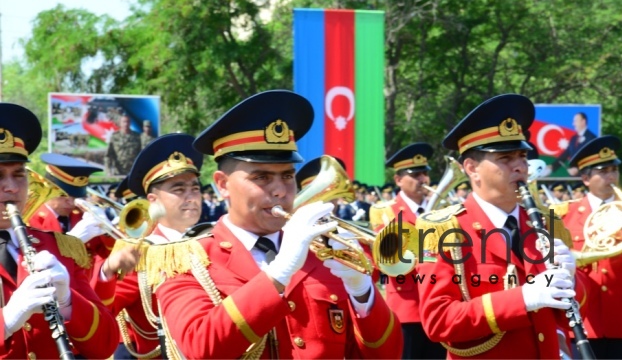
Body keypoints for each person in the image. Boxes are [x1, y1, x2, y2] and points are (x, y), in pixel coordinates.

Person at [156, 90, 402, 359]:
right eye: (261, 178)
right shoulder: (185, 260)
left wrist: (362, 293)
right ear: (222, 184)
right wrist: (279, 274)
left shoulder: (323, 253)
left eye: (287, 176)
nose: (280, 191)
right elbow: (200, 347)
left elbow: (386, 354)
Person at [417, 94, 583, 358]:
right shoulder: (442, 230)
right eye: (505, 159)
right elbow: (438, 320)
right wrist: (523, 299)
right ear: (471, 168)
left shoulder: (544, 224)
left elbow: (568, 304)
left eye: (522, 156)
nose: (520, 166)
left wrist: (573, 279)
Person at [0, 102, 118, 358]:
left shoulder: (58, 248)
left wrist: (68, 303)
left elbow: (106, 344)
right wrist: (6, 322)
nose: (11, 187)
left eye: (18, 174)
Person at [93, 133, 204, 359]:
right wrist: (107, 272)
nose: (191, 197)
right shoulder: (141, 253)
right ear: (153, 201)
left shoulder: (210, 240)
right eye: (179, 190)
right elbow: (99, 317)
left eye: (195, 188)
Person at [557, 135, 622, 359]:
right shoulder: (565, 215)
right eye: (603, 171)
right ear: (585, 178)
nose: (611, 176)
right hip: (582, 319)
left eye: (614, 169)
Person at [369, 142, 445, 359]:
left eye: (424, 174)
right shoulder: (385, 212)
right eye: (416, 174)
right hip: (407, 306)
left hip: (439, 303)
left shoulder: (439, 210)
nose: (423, 179)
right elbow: (390, 260)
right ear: (398, 180)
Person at [29, 153, 103, 233]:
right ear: (47, 188)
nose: (71, 203)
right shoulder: (30, 218)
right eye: (63, 195)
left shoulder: (81, 216)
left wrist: (106, 230)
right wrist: (73, 239)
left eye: (76, 196)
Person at [545, 112, 597, 176]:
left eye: (575, 121)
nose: (573, 124)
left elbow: (592, 157)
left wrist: (578, 169)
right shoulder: (573, 138)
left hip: (586, 176)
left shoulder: (592, 138)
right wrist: (552, 166)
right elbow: (565, 154)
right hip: (573, 178)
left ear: (583, 121)